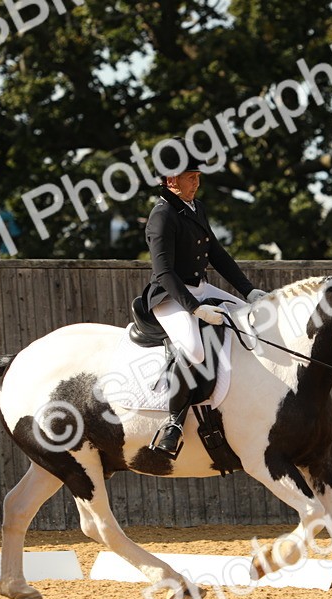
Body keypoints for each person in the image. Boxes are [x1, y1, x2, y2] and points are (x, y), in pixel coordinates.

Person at [144, 144, 267, 458]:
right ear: (171, 180)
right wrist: (195, 308)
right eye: (191, 176)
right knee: (195, 349)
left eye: (197, 175)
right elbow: (163, 272)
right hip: (170, 296)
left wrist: (248, 291)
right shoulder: (162, 215)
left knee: (248, 317)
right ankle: (173, 423)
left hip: (199, 288)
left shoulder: (195, 208)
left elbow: (217, 254)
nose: (197, 181)